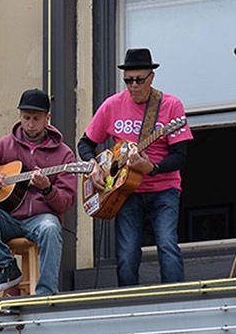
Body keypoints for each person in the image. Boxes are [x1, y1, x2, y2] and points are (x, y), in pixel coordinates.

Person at [79, 48, 193, 287]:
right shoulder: (111, 105)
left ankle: (178, 298)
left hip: (164, 188)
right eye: (128, 80)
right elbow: (86, 142)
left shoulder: (171, 106)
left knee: (167, 244)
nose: (133, 86)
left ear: (151, 78)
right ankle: (127, 303)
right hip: (125, 191)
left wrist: (151, 167)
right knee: (127, 253)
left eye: (139, 80)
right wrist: (93, 166)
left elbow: (180, 157)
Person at [0, 88, 77, 295]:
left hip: (41, 219)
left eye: (36, 119)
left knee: (50, 228)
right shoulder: (5, 145)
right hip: (8, 219)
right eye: (26, 118)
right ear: (19, 116)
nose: (30, 124)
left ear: (47, 118)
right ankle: (7, 266)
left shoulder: (64, 155)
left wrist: (47, 188)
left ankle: (46, 294)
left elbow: (65, 203)